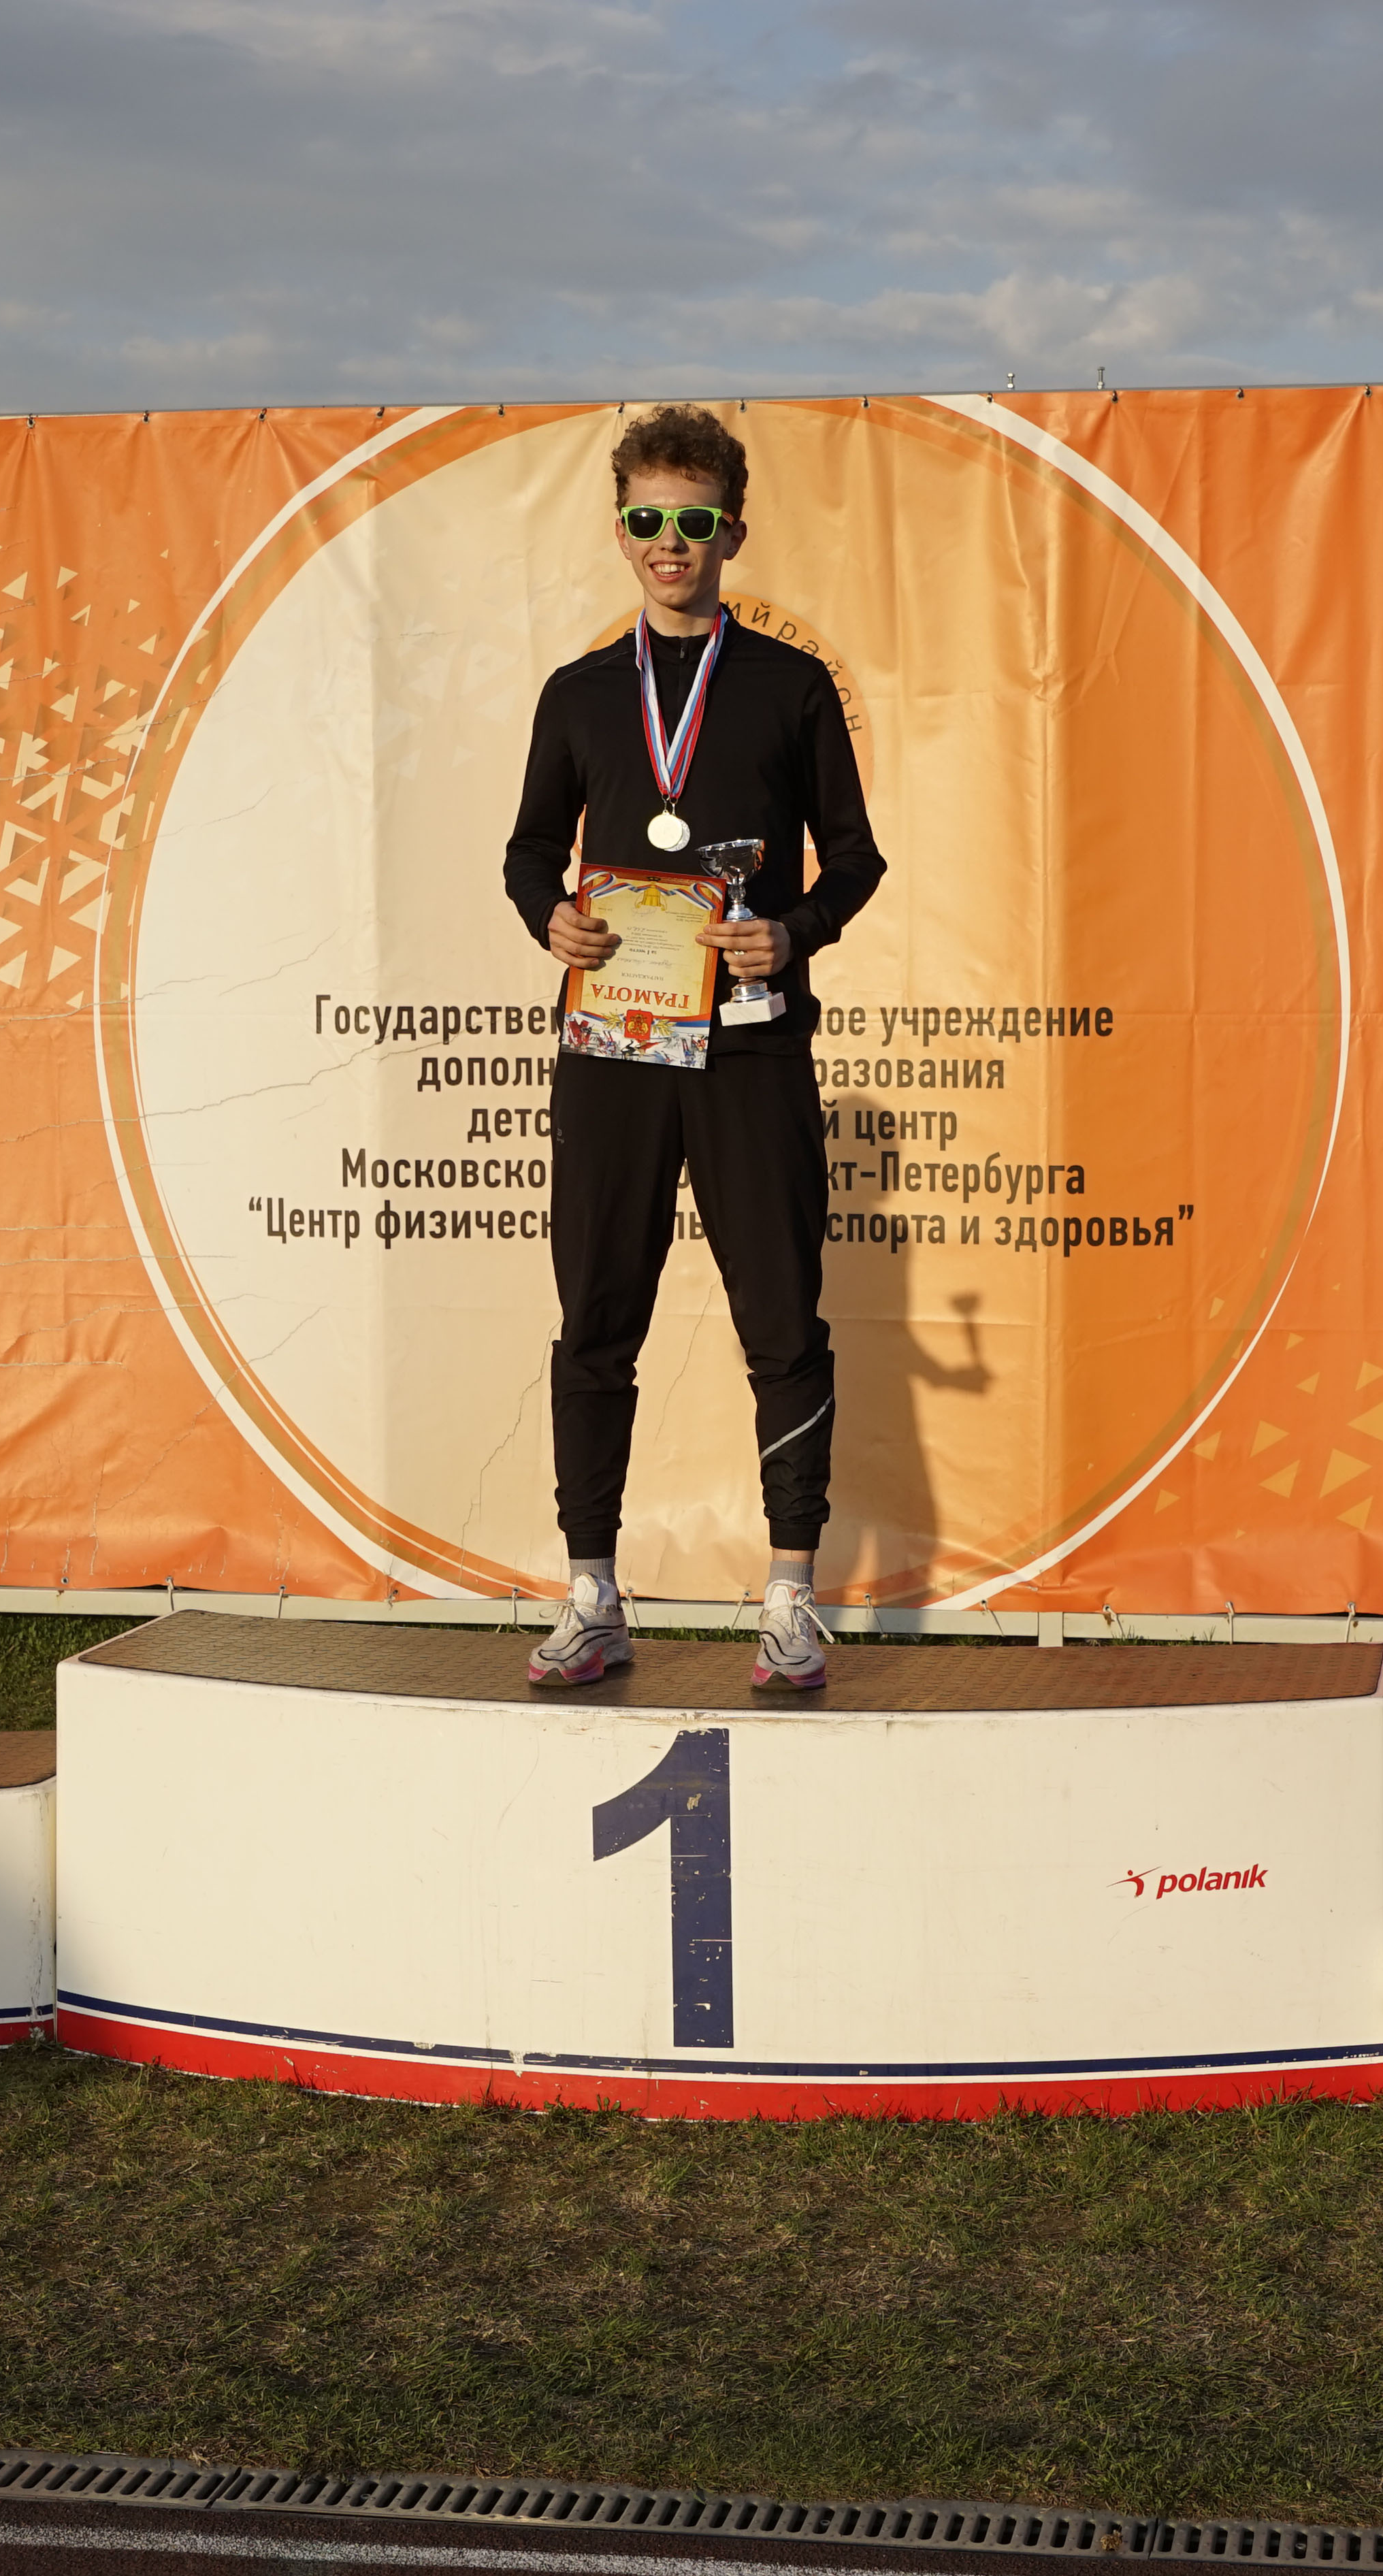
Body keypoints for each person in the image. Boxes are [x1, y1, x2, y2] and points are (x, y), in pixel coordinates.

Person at [502, 405, 886, 1691]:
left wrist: (795, 930)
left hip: (751, 1051)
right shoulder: (578, 694)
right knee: (596, 1317)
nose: (672, 541)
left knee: (781, 1319)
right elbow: (528, 852)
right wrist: (549, 917)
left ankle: (790, 1598)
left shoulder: (788, 686)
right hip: (614, 1047)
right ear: (621, 533)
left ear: (734, 531)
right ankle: (593, 1594)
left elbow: (857, 858)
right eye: (649, 519)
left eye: (695, 519)